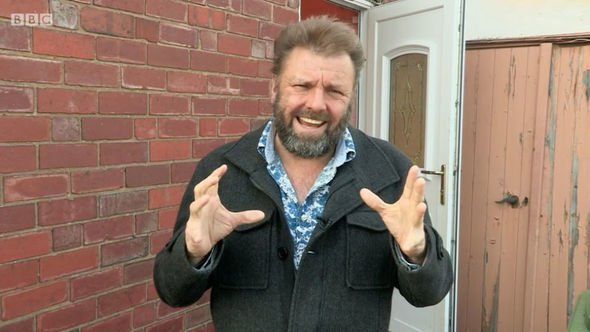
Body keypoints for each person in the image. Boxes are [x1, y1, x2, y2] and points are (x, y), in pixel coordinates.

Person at [153, 16, 453, 331]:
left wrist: (416, 253)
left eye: (335, 91)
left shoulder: (391, 172)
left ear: (351, 97)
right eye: (302, 85)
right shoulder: (221, 172)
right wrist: (193, 252)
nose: (316, 103)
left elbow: (430, 293)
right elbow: (172, 291)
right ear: (274, 88)